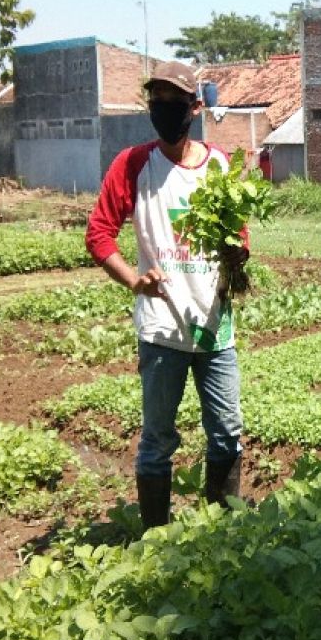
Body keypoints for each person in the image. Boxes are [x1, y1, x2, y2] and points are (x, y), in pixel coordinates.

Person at [86, 60, 247, 529]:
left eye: (175, 103)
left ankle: (220, 533)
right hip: (161, 330)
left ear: (195, 108)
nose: (164, 111)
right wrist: (134, 280)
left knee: (228, 433)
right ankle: (156, 539)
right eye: (156, 102)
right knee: (157, 438)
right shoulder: (133, 164)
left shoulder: (219, 165)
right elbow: (99, 235)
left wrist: (238, 257)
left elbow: (239, 235)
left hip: (215, 328)